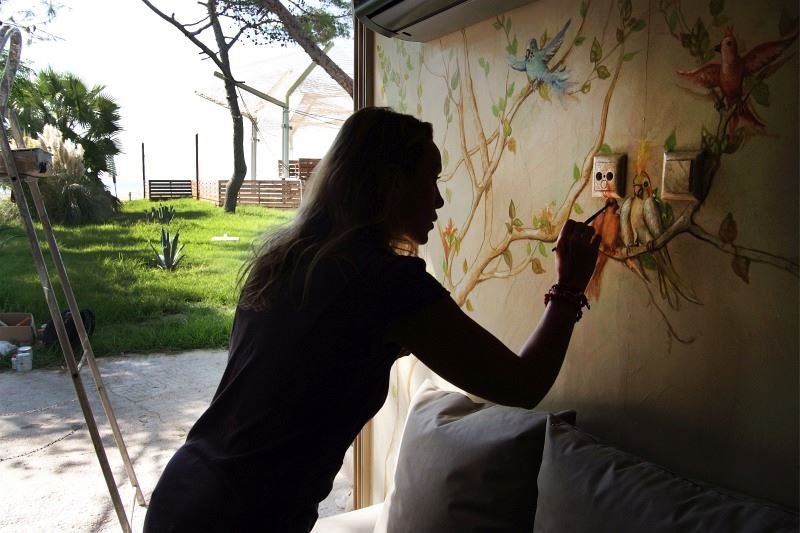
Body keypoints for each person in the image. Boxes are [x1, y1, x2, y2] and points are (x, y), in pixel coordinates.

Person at [143, 106, 600, 532]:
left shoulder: (287, 259)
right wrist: (569, 286)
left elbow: (317, 359)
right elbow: (522, 385)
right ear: (392, 184)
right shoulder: (387, 283)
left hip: (185, 490)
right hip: (242, 518)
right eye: (431, 179)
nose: (439, 200)